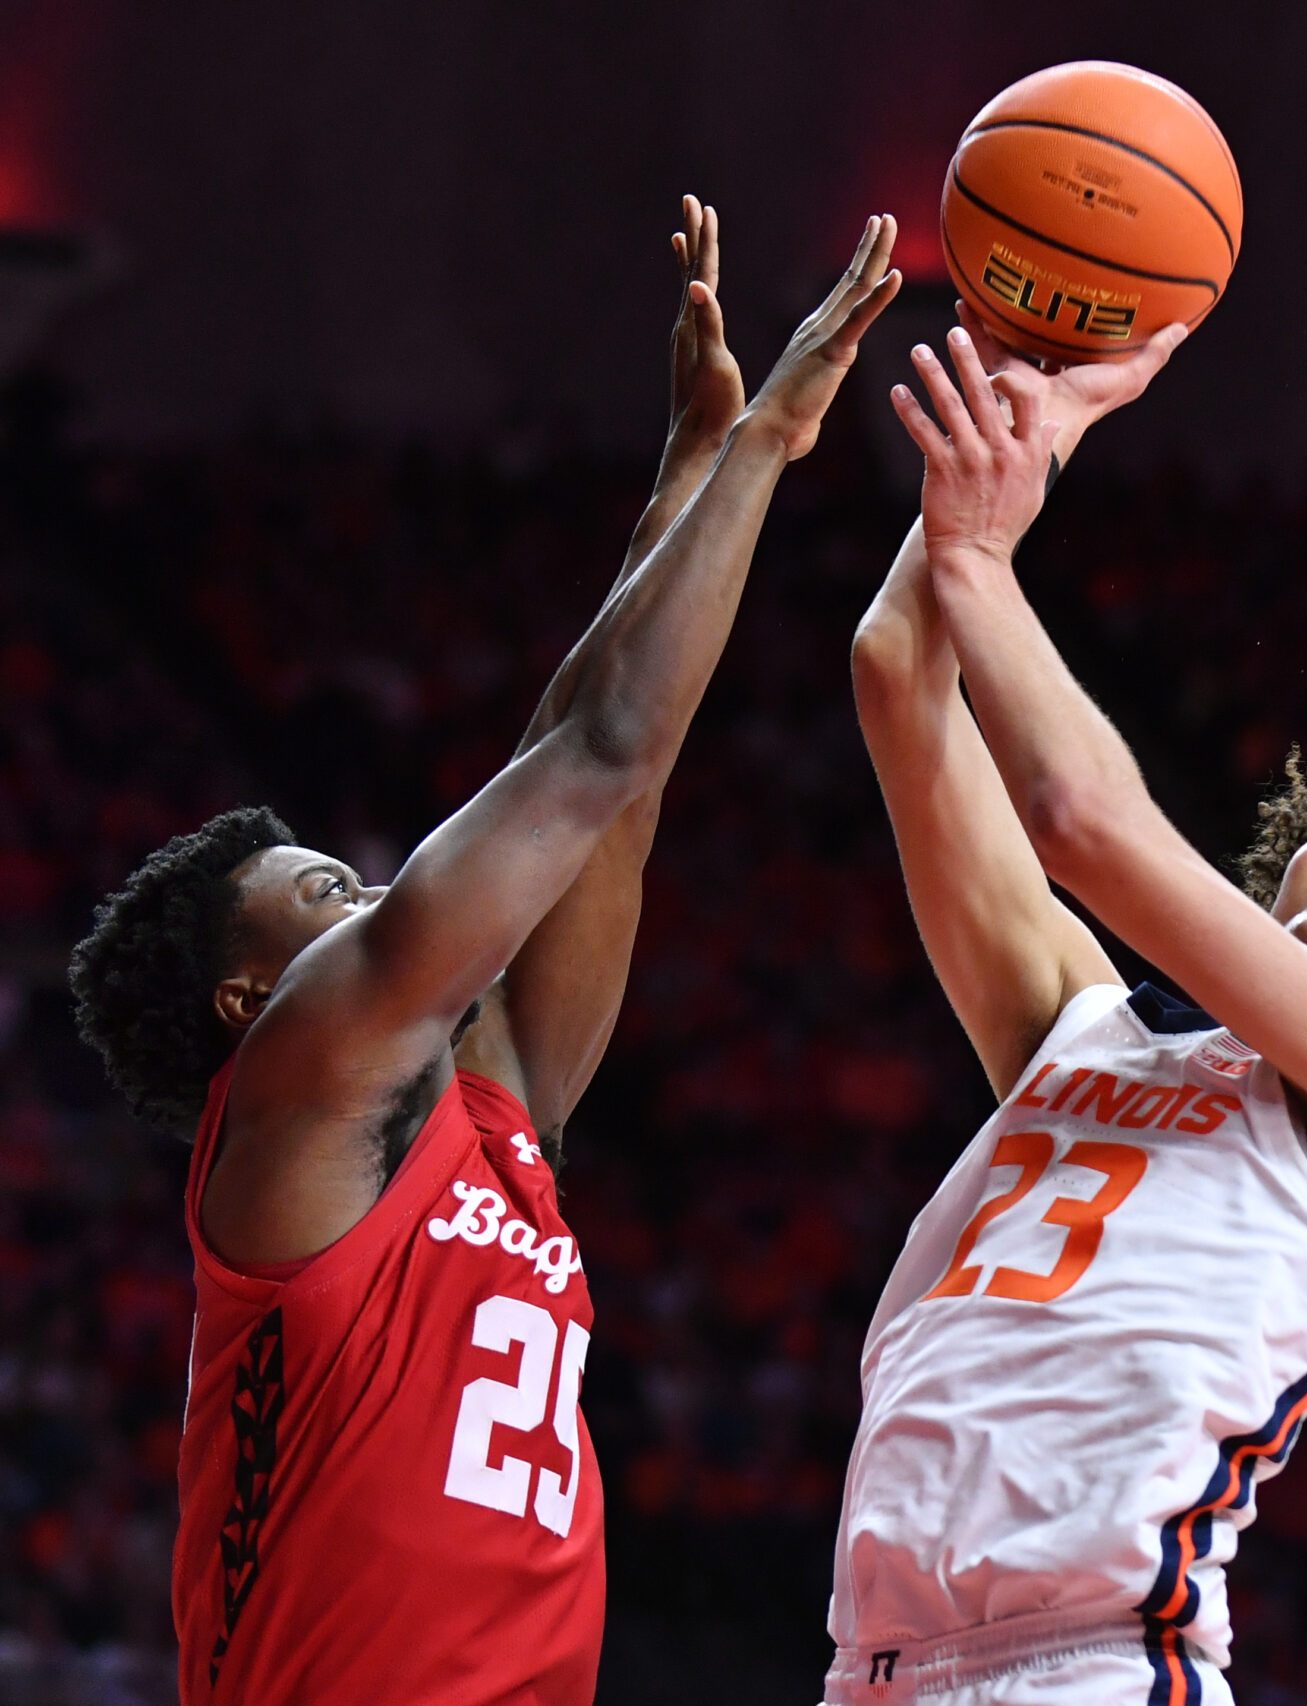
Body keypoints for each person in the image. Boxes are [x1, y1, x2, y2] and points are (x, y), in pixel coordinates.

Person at [65, 201, 902, 1705]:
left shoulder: (487, 1113)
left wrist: (683, 481)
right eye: (329, 895)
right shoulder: (303, 1088)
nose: (379, 897)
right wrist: (768, 446)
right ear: (251, 1002)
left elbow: (608, 800)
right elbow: (592, 748)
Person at [819, 314, 1307, 1705]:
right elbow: (897, 674)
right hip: (873, 1672)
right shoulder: (1082, 1025)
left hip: (1096, 1664)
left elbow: (1080, 819)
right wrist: (1034, 428)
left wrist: (984, 557)